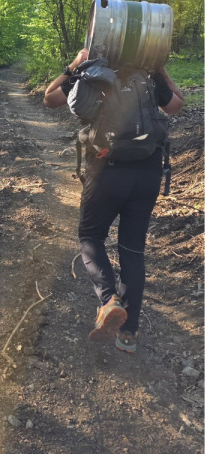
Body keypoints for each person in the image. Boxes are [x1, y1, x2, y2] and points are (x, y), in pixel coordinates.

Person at [44, 49, 183, 353]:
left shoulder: (93, 71)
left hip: (107, 169)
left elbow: (51, 97)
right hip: (147, 170)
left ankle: (109, 300)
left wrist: (75, 65)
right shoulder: (147, 75)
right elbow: (176, 105)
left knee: (91, 236)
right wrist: (161, 70)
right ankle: (128, 335)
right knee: (132, 250)